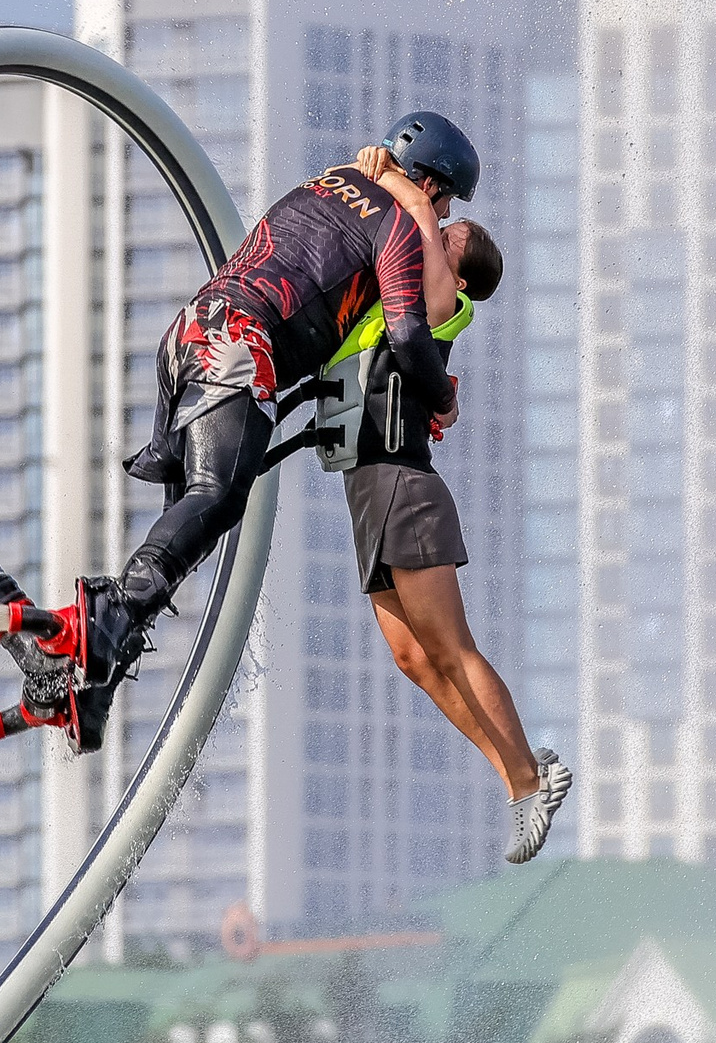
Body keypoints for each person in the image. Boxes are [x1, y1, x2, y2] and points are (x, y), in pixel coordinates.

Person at [70, 112, 475, 745]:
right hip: (240, 342)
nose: (445, 218)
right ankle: (108, 616)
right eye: (446, 202)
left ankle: (89, 682)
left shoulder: (334, 179)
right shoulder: (396, 224)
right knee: (218, 496)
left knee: (190, 524)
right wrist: (442, 395)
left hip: (192, 330)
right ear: (431, 183)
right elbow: (406, 329)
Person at [340, 180, 572, 864]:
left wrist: (390, 177)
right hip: (368, 490)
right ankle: (520, 773)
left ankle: (529, 778)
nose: (432, 234)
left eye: (448, 240)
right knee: (414, 656)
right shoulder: (402, 297)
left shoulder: (447, 304)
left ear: (460, 273)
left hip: (404, 488)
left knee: (452, 645)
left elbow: (414, 215)